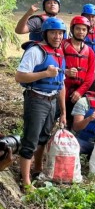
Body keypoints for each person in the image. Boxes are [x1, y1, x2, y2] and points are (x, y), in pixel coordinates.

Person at [15, 17, 67, 189]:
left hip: (52, 100)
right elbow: (19, 76)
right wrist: (44, 74)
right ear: (45, 33)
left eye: (60, 33)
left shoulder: (60, 54)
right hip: (36, 99)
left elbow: (61, 84)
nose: (57, 36)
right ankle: (26, 181)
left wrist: (63, 111)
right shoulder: (36, 51)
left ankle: (38, 169)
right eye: (53, 33)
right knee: (31, 140)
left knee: (44, 138)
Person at [62, 16, 95, 130]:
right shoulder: (62, 45)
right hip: (62, 89)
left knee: (72, 122)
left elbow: (90, 76)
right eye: (78, 29)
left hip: (78, 92)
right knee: (55, 118)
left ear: (87, 31)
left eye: (84, 29)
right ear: (72, 30)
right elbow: (55, 66)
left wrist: (80, 92)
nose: (81, 32)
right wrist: (66, 72)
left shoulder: (90, 52)